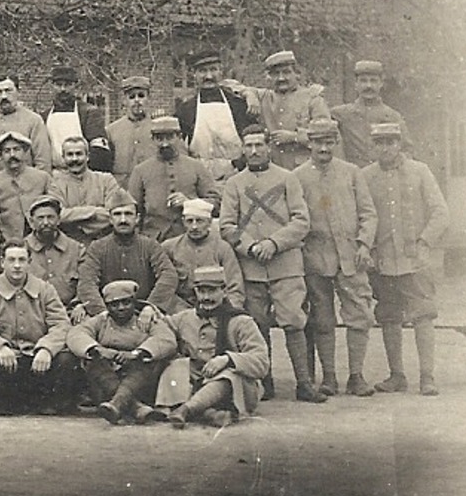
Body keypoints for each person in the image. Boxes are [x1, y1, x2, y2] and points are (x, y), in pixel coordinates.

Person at [220, 126, 319, 402]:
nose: (253, 151)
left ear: (268, 147)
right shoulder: (234, 184)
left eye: (259, 145)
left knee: (294, 322)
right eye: (248, 145)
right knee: (257, 325)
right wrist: (251, 246)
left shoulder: (288, 179)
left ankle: (304, 383)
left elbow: (301, 221)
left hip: (286, 264)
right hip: (250, 268)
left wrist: (273, 243)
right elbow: (227, 225)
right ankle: (266, 381)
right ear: (242, 149)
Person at [363, 122, 449, 396]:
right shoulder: (365, 177)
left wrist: (425, 242)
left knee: (423, 315)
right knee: (389, 317)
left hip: (416, 260)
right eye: (380, 142)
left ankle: (427, 376)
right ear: (373, 146)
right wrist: (368, 248)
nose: (385, 148)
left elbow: (440, 212)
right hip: (383, 262)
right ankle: (397, 375)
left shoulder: (419, 171)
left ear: (400, 143)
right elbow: (362, 217)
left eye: (391, 141)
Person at [295, 118, 379, 397]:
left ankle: (356, 376)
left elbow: (368, 213)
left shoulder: (352, 173)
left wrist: (364, 245)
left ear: (336, 143)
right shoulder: (297, 177)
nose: (324, 147)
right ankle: (328, 376)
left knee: (359, 314)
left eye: (329, 141)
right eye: (318, 142)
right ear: (309, 143)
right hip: (315, 258)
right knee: (322, 318)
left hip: (351, 257)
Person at [0, 242, 74, 416]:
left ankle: (46, 403)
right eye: (11, 259)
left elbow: (61, 324)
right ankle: (2, 404)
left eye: (22, 260)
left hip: (36, 359)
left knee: (66, 360)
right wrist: (0, 347)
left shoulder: (45, 290)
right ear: (2, 262)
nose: (16, 265)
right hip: (5, 361)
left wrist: (46, 349)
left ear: (29, 262)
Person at [153, 265, 270, 429]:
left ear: (224, 291)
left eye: (212, 291)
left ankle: (186, 410)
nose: (206, 297)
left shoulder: (241, 322)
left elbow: (262, 362)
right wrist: (150, 312)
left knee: (229, 375)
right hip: (197, 380)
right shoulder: (185, 318)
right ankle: (207, 414)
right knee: (176, 364)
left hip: (235, 389)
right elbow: (161, 326)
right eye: (201, 291)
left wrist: (228, 359)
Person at [67, 279, 172, 424]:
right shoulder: (100, 321)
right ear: (107, 306)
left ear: (134, 302)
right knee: (93, 361)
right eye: (114, 305)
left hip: (139, 382)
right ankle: (136, 408)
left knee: (149, 362)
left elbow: (166, 339)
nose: (121, 308)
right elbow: (76, 334)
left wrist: (138, 353)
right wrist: (98, 349)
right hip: (106, 383)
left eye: (126, 302)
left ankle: (117, 404)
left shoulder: (146, 320)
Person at [78, 189, 180, 317]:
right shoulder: (97, 248)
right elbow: (87, 282)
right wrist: (101, 312)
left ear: (137, 218)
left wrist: (151, 307)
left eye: (128, 214)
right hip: (109, 312)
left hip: (144, 312)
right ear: (110, 219)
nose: (123, 220)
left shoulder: (150, 246)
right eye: (117, 214)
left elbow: (168, 276)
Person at [128, 115, 221, 240]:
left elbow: (216, 204)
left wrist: (190, 203)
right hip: (153, 240)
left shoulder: (196, 167)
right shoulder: (140, 171)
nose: (165, 143)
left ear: (179, 137)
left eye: (170, 137)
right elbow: (133, 210)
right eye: (159, 138)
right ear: (152, 139)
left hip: (189, 239)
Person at [175, 50, 257, 183]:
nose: (208, 76)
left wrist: (238, 166)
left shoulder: (238, 105)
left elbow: (254, 139)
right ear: (194, 75)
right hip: (199, 179)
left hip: (238, 176)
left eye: (213, 69)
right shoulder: (185, 109)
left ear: (221, 72)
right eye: (202, 71)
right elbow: (178, 147)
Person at [161, 198, 245, 311]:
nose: (194, 227)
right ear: (183, 221)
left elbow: (235, 288)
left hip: (216, 308)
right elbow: (162, 286)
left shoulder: (222, 248)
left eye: (199, 221)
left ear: (209, 222)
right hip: (179, 309)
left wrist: (228, 313)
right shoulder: (169, 247)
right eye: (189, 221)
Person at [256, 50, 332, 168]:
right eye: (276, 74)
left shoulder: (312, 99)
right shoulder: (264, 97)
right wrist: (249, 94)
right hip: (273, 167)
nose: (281, 78)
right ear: (269, 77)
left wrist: (294, 137)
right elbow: (229, 85)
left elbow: (326, 134)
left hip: (303, 167)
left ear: (297, 74)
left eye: (286, 72)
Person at [331, 60, 408, 168]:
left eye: (373, 81)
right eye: (363, 81)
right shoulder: (340, 114)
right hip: (354, 177)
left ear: (381, 83)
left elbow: (406, 150)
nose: (368, 86)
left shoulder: (393, 117)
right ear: (355, 84)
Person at [0, 76, 51, 174]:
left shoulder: (34, 120)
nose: (4, 96)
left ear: (18, 92)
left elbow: (43, 161)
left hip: (24, 185)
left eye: (8, 91)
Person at [39, 64, 110, 171]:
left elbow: (99, 150)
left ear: (75, 86)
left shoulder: (88, 113)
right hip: (55, 176)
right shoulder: (44, 116)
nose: (63, 89)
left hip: (83, 174)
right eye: (58, 85)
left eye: (68, 85)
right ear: (52, 86)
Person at [0, 131, 49, 243]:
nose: (12, 155)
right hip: (6, 242)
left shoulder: (42, 178)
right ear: (0, 156)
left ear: (25, 152)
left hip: (39, 240)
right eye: (7, 151)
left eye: (17, 149)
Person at [24, 195, 84, 315]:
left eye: (50, 217)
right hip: (32, 313)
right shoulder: (21, 250)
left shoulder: (76, 249)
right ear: (31, 222)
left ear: (59, 219)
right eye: (40, 218)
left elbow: (86, 283)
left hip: (70, 312)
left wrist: (80, 305)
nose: (46, 222)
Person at [105, 75, 155, 187]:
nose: (137, 100)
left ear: (149, 99)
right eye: (132, 97)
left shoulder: (157, 128)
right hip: (123, 190)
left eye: (141, 96)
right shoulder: (111, 130)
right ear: (124, 100)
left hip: (151, 189)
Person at [47, 134, 119, 212]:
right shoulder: (55, 184)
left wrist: (70, 214)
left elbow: (113, 213)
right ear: (63, 158)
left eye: (79, 154)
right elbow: (57, 215)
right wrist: (96, 211)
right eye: (70, 154)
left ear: (87, 156)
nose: (74, 159)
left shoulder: (106, 181)